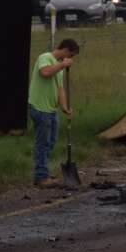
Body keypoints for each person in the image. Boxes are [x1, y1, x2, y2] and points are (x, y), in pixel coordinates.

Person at [27, 38, 79, 188]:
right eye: (71, 55)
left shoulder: (59, 69)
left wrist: (65, 108)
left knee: (51, 141)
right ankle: (41, 176)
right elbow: (44, 72)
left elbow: (60, 89)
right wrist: (62, 65)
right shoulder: (45, 58)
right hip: (40, 108)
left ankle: (44, 172)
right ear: (66, 50)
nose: (70, 59)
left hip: (51, 109)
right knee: (42, 143)